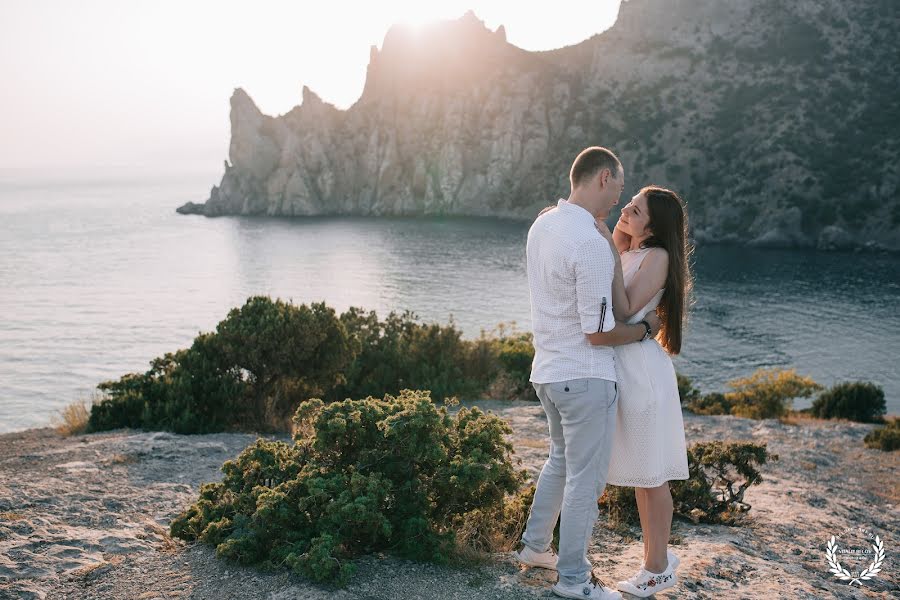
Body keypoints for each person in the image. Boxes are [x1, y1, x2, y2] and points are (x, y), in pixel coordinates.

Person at [514, 146, 661, 600]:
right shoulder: (591, 244)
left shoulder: (544, 224)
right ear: (603, 178)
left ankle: (535, 548)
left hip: (547, 372)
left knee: (560, 461)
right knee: (585, 479)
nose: (620, 198)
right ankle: (574, 580)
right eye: (619, 186)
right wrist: (643, 333)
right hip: (584, 377)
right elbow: (598, 334)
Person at [596, 185, 692, 597]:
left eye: (635, 211)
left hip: (643, 374)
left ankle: (657, 569)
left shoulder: (657, 256)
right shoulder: (632, 252)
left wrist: (610, 246)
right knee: (641, 474)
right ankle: (657, 560)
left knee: (652, 476)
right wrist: (618, 243)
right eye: (629, 204)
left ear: (654, 226)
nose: (626, 211)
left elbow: (622, 308)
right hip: (626, 367)